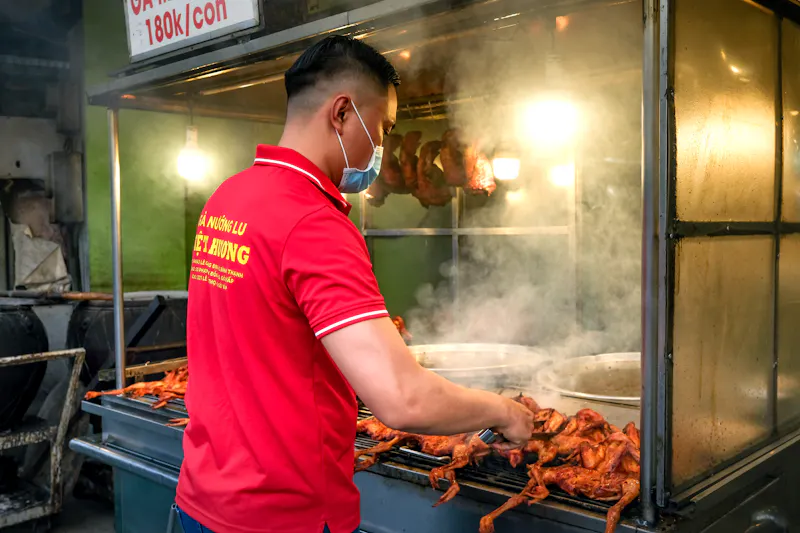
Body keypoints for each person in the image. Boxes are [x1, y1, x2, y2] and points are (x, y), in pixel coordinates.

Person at [174, 35, 534, 533]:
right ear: (342, 112)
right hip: (284, 515)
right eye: (383, 128)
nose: (383, 147)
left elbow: (263, 336)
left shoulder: (228, 198)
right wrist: (503, 410)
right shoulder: (311, 221)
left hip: (203, 499)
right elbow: (402, 400)